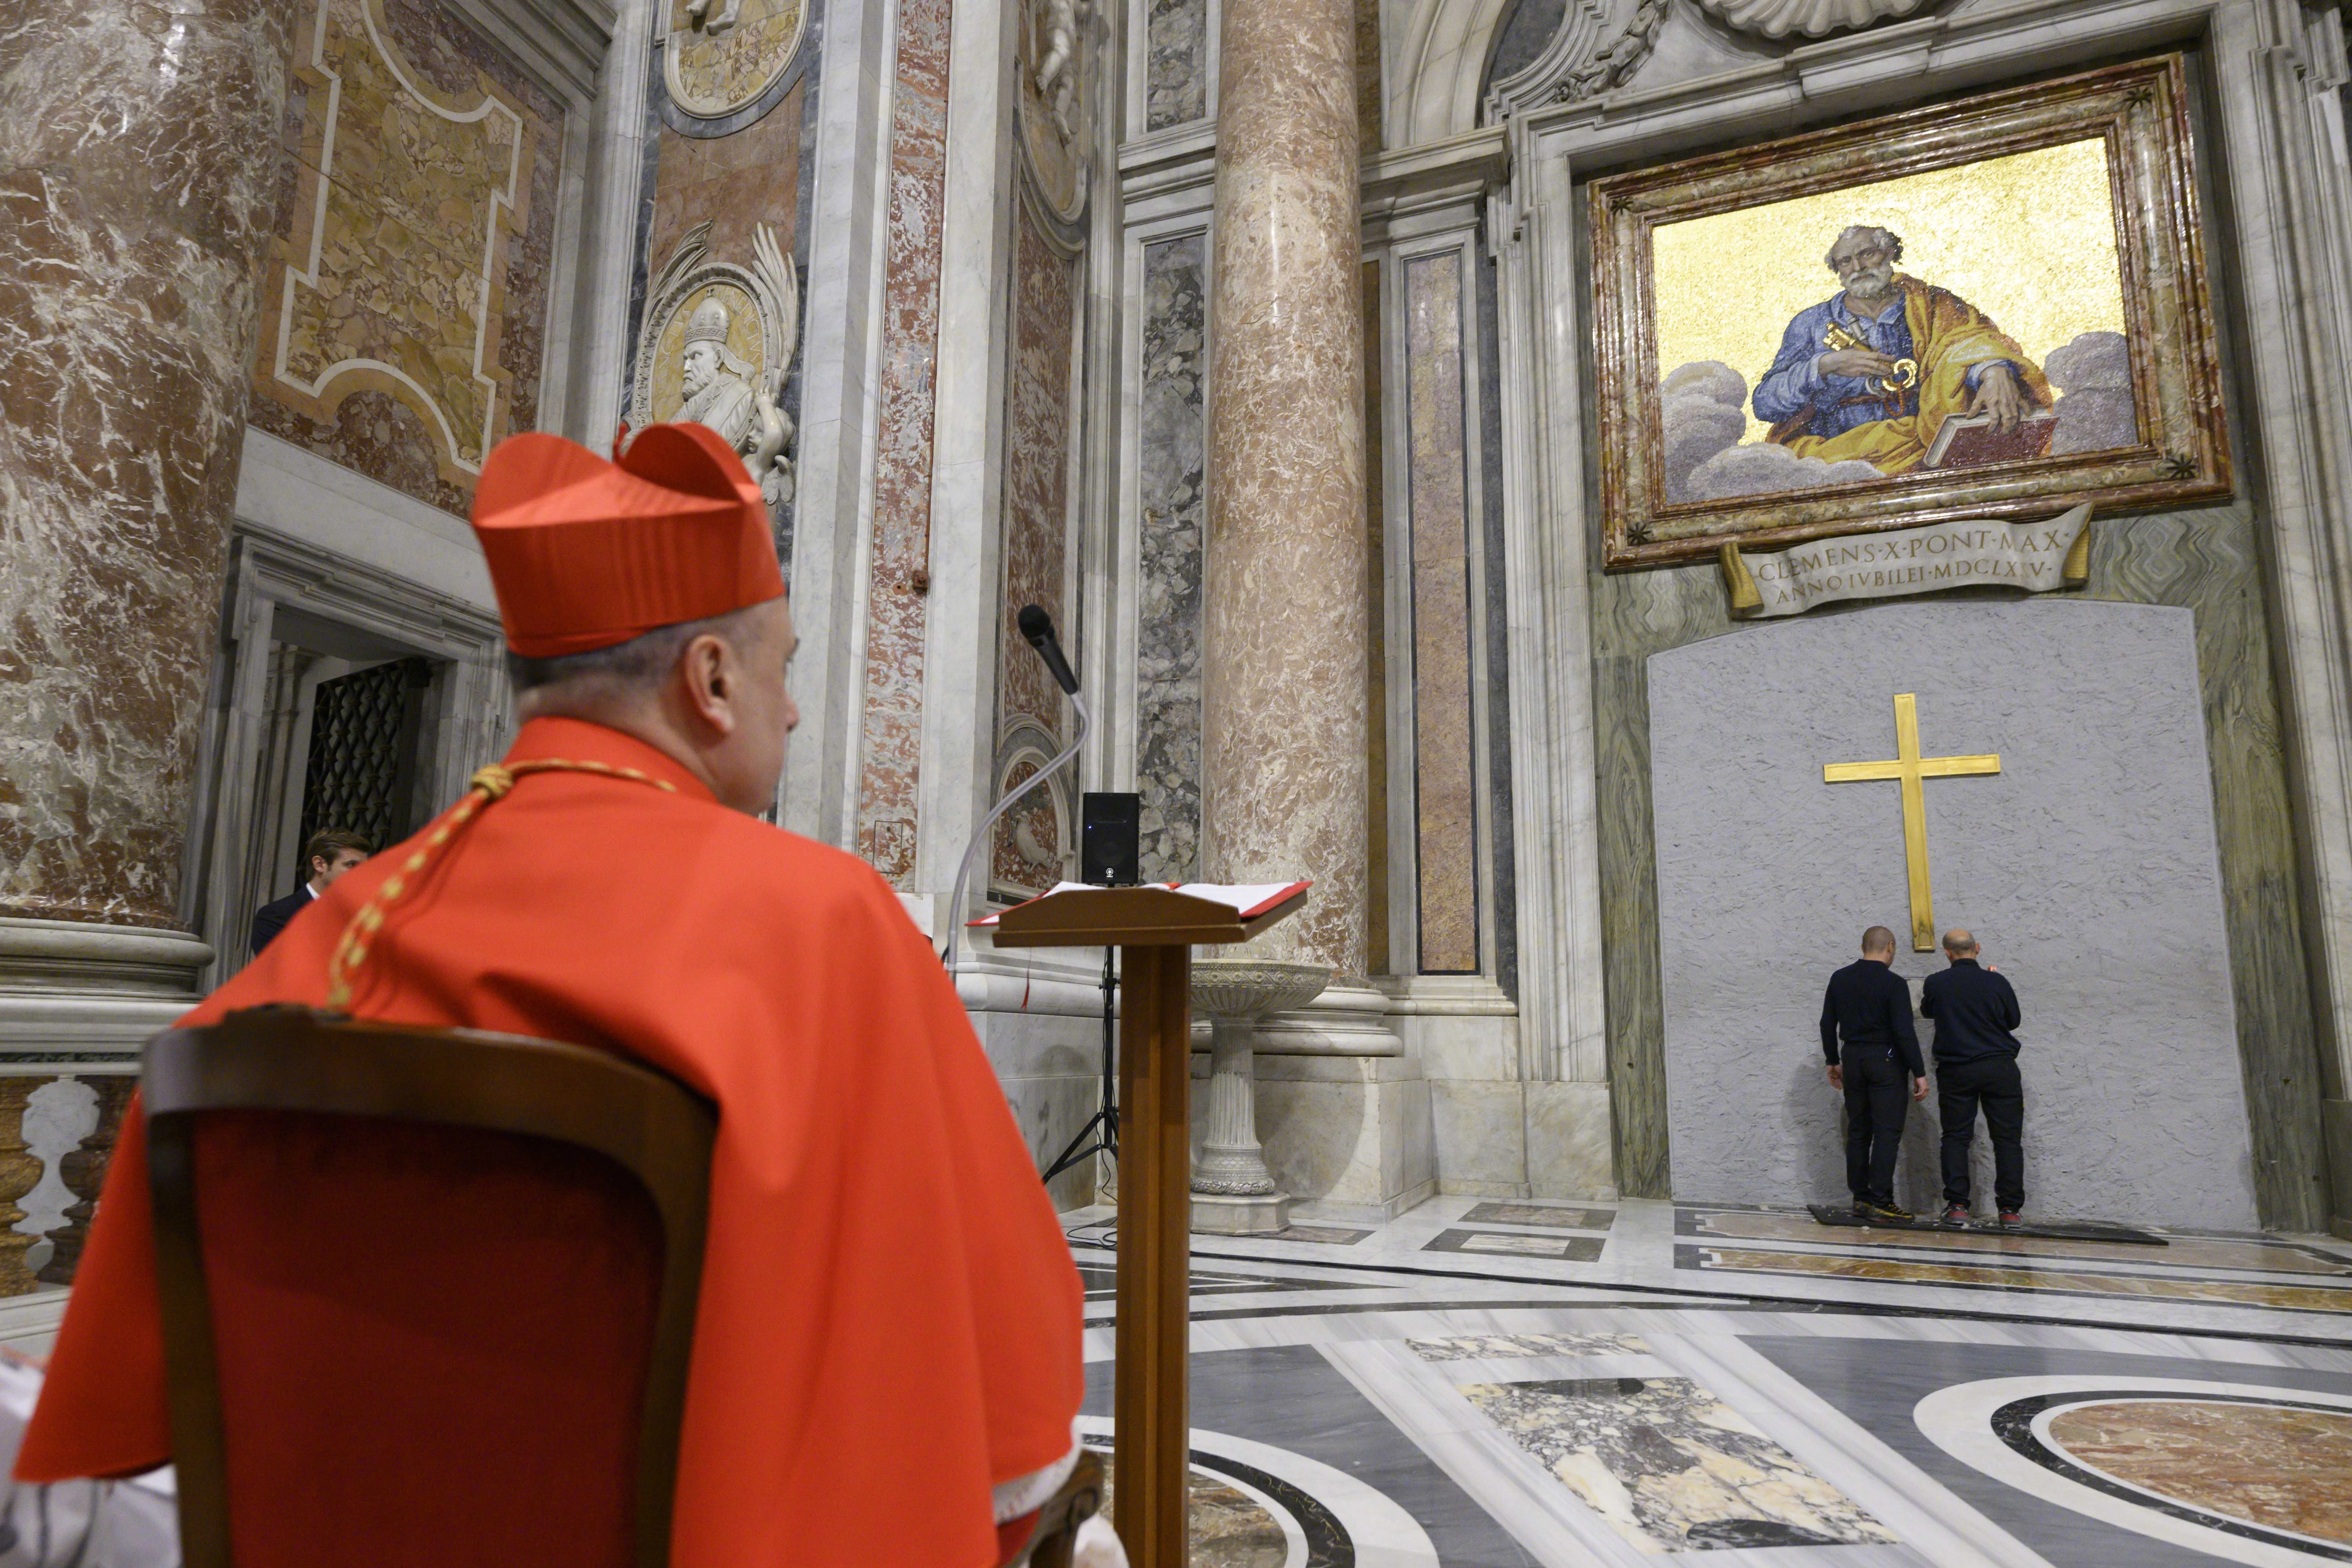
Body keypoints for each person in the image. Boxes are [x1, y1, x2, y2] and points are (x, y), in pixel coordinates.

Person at [18, 424, 1102, 1568]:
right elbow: (1007, 1388)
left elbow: (151, 1398)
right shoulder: (827, 922)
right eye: (782, 668)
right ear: (714, 681)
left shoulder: (349, 924)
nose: (790, 712)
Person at [1753, 224, 2053, 475]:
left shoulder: (1934, 304)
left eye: (1867, 254)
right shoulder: (1811, 324)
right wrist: (1824, 366)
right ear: (1838, 270)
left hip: (1928, 444)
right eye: (1845, 262)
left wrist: (1993, 369)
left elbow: (1968, 340)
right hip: (1838, 457)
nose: (1857, 268)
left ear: (1890, 253)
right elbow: (1765, 405)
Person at [1820, 924, 1929, 1221]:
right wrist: (1919, 1072)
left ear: (1863, 946)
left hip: (1852, 1056)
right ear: (1891, 947)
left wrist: (1833, 1060)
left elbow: (1827, 1023)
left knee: (1859, 1130)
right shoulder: (1894, 984)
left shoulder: (1840, 978)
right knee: (1886, 1132)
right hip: (1886, 1058)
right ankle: (1881, 1200)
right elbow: (1904, 1032)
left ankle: (1861, 1199)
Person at [1921, 927, 2025, 1226]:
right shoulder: (1997, 981)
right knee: (2007, 1140)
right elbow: (2014, 1020)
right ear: (1977, 948)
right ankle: (2010, 1211)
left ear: (1947, 953)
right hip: (1999, 1067)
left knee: (1956, 1137)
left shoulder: (1937, 983)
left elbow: (1928, 1010)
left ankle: (1956, 1206)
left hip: (1957, 1069)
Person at [247, 827, 371, 956]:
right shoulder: (277, 916)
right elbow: (282, 969)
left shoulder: (364, 917)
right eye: (352, 865)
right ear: (320, 864)